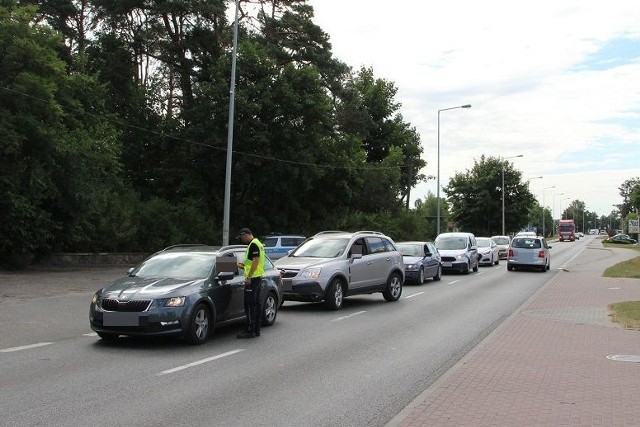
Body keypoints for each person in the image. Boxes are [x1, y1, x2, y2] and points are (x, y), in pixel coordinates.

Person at [236, 227, 266, 339]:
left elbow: (255, 261)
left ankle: (250, 330)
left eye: (241, 237)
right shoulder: (258, 244)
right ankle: (256, 329)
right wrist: (235, 264)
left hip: (252, 279)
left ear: (245, 234)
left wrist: (248, 277)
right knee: (256, 304)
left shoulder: (253, 244)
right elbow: (249, 264)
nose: (241, 240)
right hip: (257, 277)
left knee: (249, 305)